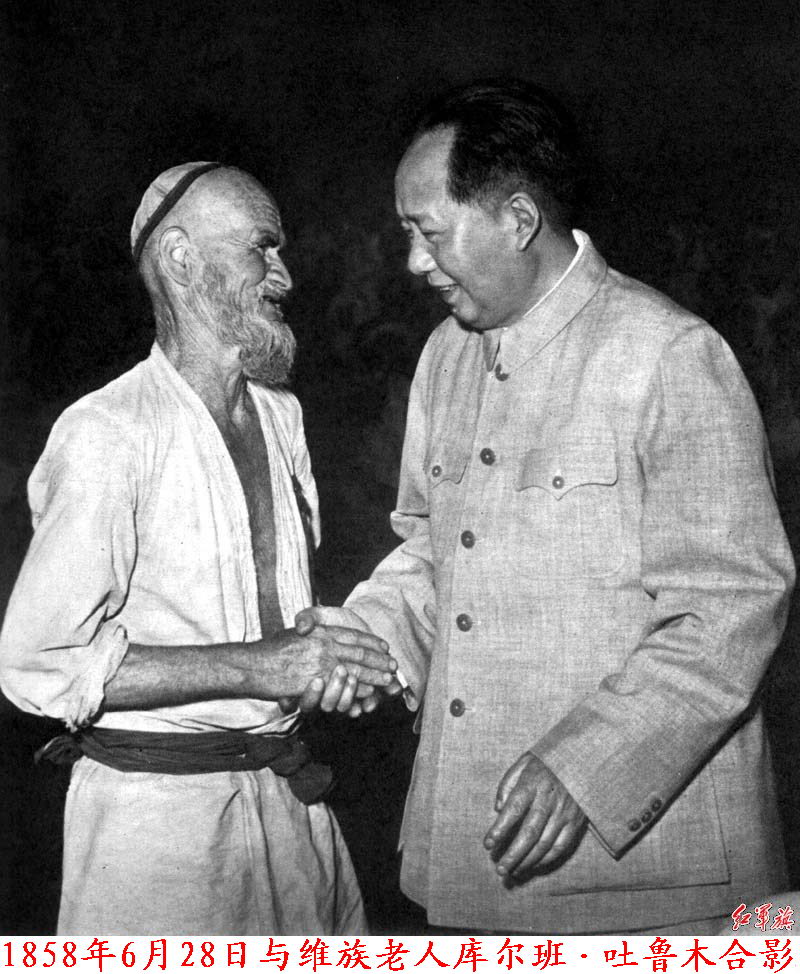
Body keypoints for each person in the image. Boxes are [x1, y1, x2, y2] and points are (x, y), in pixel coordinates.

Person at [303, 80, 795, 934]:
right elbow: (432, 552)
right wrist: (368, 642)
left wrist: (588, 765)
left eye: (428, 233)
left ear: (519, 220)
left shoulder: (668, 354)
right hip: (480, 852)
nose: (413, 262)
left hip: (650, 880)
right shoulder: (446, 356)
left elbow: (731, 606)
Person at [0, 162, 399, 935]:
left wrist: (330, 664)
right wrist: (264, 667)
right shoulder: (108, 432)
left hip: (292, 815)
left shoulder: (281, 416)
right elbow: (36, 662)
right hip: (157, 839)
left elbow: (275, 620)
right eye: (262, 247)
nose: (285, 275)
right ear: (182, 259)